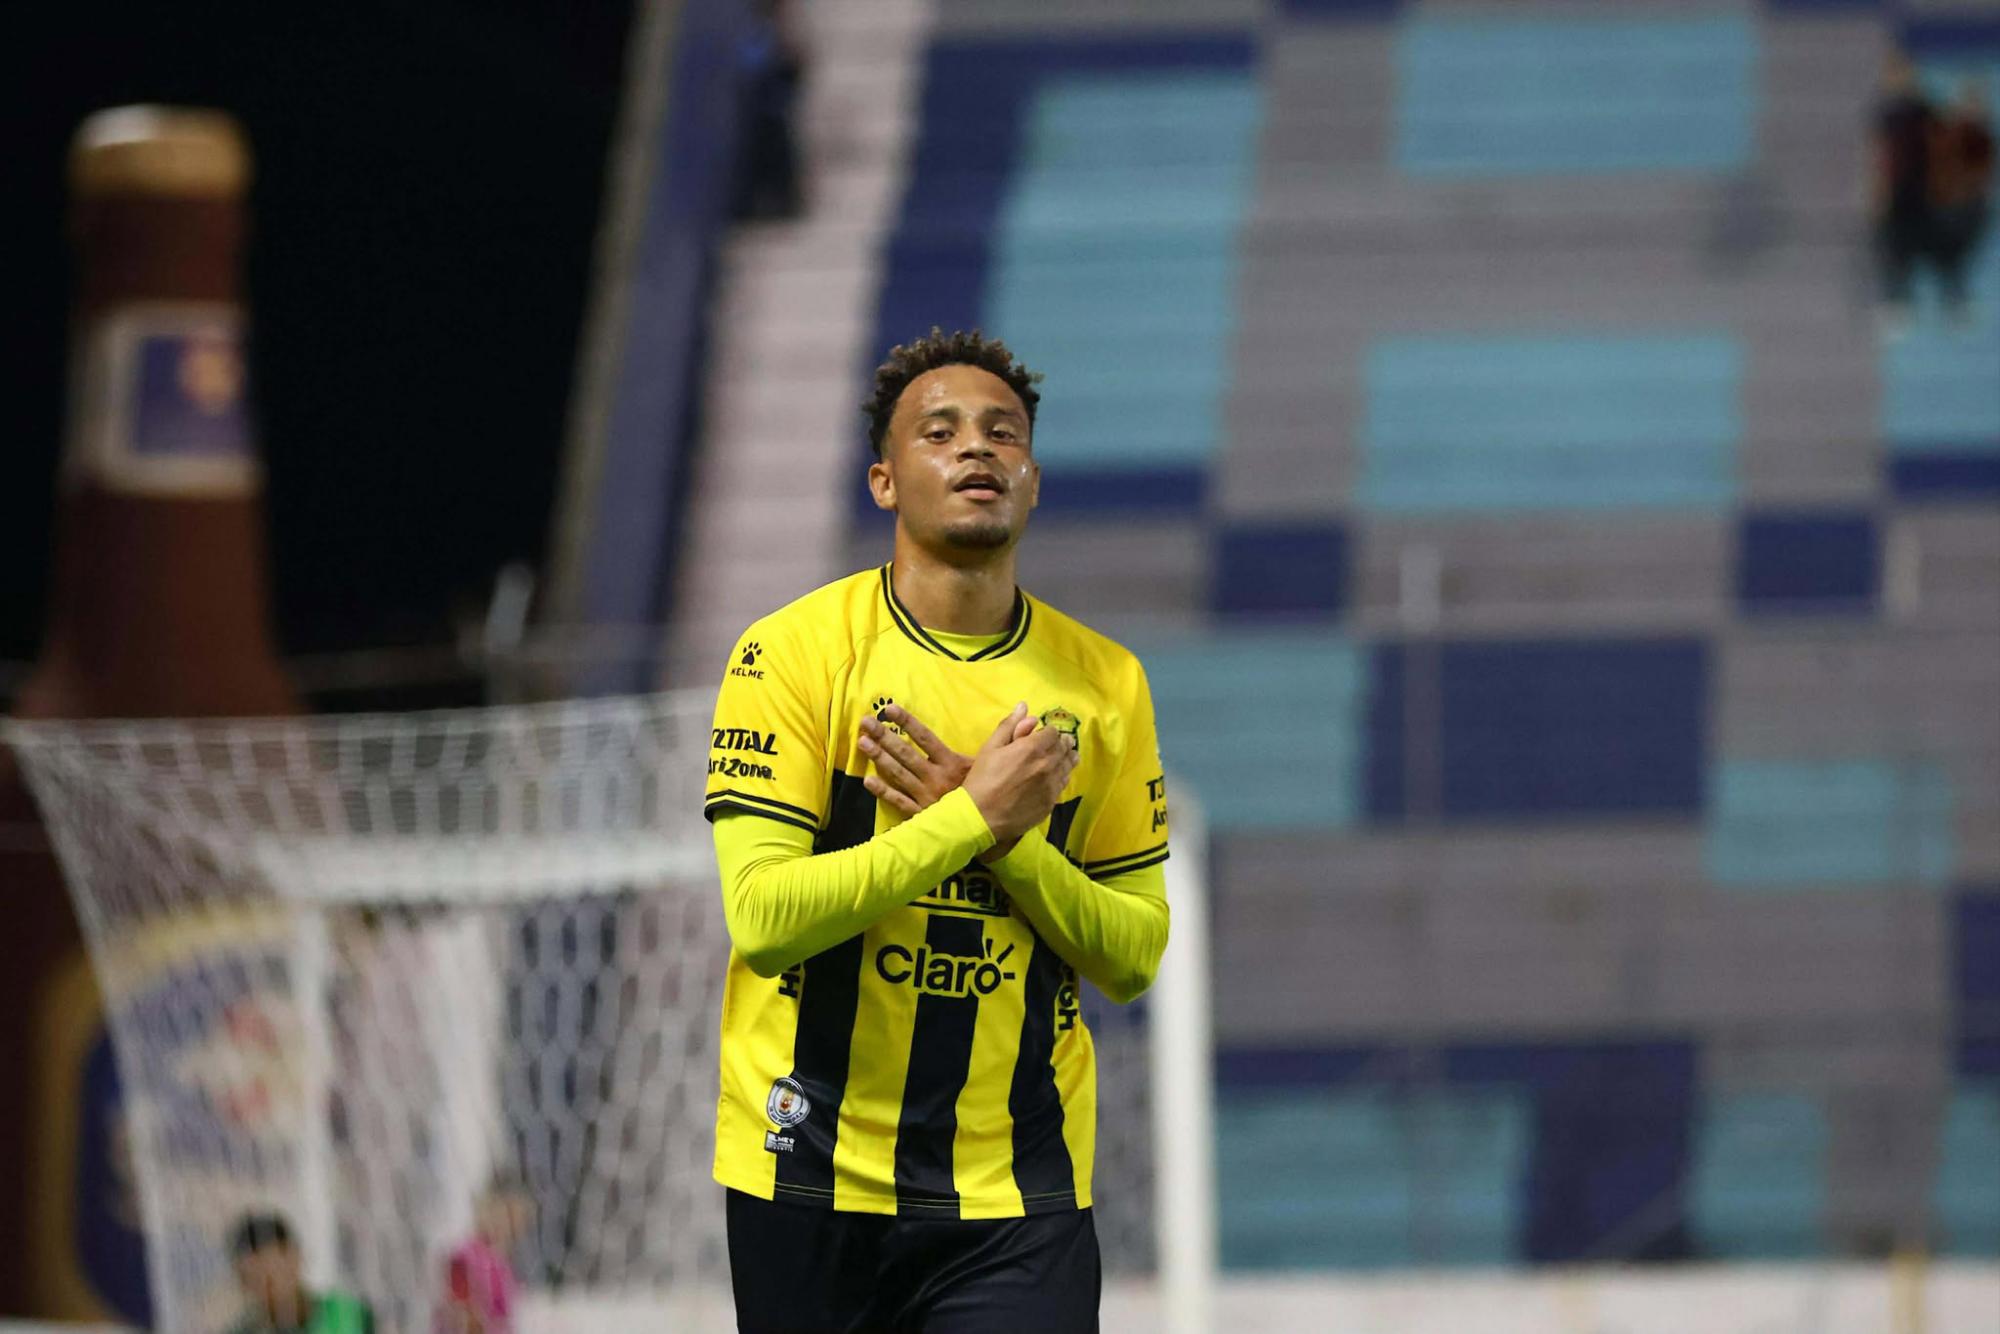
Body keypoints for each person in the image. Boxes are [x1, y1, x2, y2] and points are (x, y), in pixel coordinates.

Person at [704, 328, 1171, 1332]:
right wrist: (971, 816)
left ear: (1032, 481)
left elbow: (1133, 952)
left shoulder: (1105, 685)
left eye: (1002, 433)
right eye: (940, 431)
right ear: (883, 480)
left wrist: (1014, 843)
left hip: (1016, 1190)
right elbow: (763, 917)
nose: (977, 449)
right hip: (809, 1167)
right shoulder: (789, 655)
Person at [1872, 48, 1938, 329]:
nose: (1894, 79)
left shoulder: (1925, 111)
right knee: (1891, 246)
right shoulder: (1884, 114)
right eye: (1890, 73)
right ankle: (1897, 301)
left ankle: (1948, 294)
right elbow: (1876, 154)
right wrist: (1876, 191)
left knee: (1913, 243)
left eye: (1899, 72)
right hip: (1896, 190)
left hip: (1921, 190)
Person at [225, 1212, 374, 1334]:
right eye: (253, 1278)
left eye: (273, 1271)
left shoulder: (347, 1314)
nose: (267, 1286)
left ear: (295, 1257)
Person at [1932, 77, 1995, 319]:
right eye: (1968, 104)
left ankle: (1955, 292)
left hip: (1972, 205)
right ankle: (1953, 293)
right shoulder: (1946, 135)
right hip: (1949, 204)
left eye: (1976, 105)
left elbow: (1984, 176)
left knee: (1960, 250)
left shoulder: (1984, 138)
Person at [436, 1177, 531, 1334]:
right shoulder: (463, 1257)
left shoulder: (502, 1264)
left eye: (518, 1218)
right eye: (507, 1214)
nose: (511, 1224)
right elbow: (461, 1317)